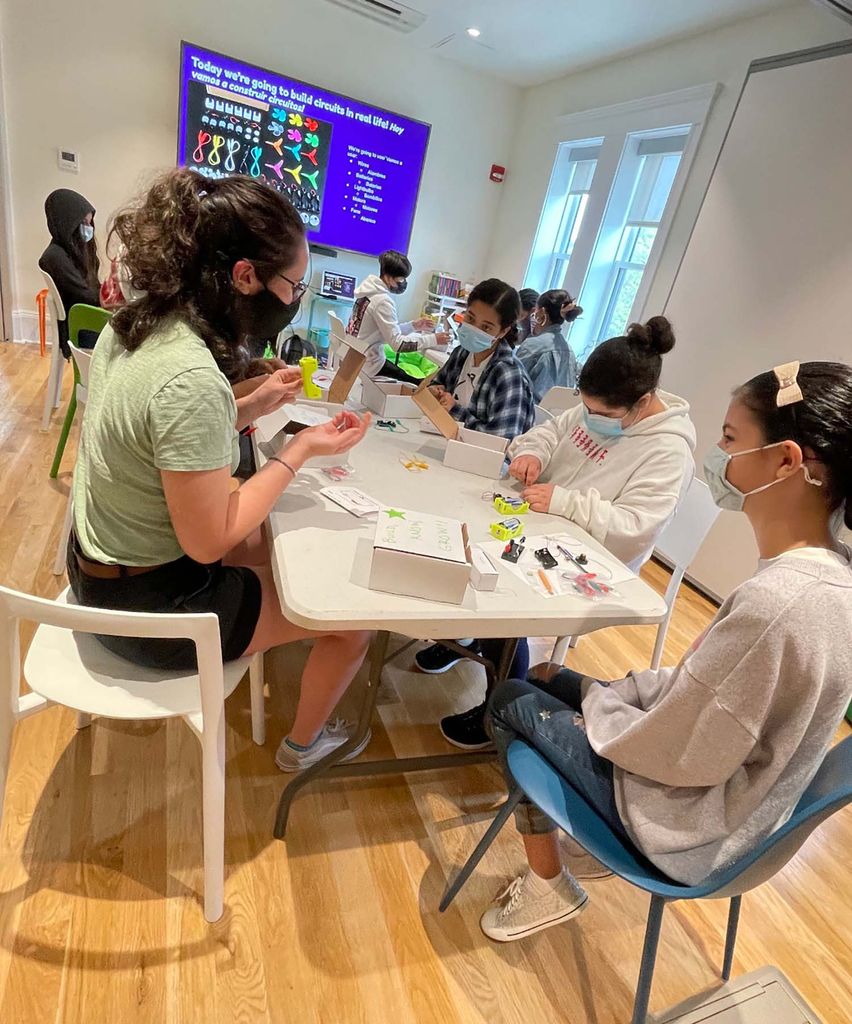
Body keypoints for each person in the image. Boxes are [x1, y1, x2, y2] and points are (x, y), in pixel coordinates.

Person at [476, 359, 852, 942]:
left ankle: (549, 882)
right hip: (726, 797)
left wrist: (602, 708)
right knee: (549, 673)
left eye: (730, 440)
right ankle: (578, 810)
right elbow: (701, 700)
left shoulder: (776, 603)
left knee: (508, 698)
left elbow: (681, 753)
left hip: (690, 827)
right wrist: (609, 695)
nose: (718, 458)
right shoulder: (831, 579)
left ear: (785, 461)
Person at [68, 168, 373, 773]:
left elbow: (157, 440)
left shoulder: (134, 325)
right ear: (244, 277)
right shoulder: (191, 377)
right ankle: (303, 749)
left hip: (93, 569)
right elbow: (208, 539)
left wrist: (251, 405)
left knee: (270, 545)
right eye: (293, 287)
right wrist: (301, 449)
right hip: (146, 610)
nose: (293, 302)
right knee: (349, 619)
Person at [418, 317, 695, 751]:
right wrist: (530, 452)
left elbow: (635, 529)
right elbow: (548, 432)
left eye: (603, 414)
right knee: (467, 541)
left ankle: (498, 713)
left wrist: (564, 501)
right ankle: (466, 640)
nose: (591, 419)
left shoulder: (669, 451)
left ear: (642, 403)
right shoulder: (594, 409)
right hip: (543, 524)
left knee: (504, 598)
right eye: (587, 408)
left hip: (591, 560)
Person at [428, 278, 535, 441]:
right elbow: (437, 384)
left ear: (502, 331)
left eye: (486, 327)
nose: (473, 329)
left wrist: (454, 409)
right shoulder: (462, 352)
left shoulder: (509, 375)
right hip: (446, 441)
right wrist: (435, 393)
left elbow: (501, 441)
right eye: (470, 318)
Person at [347, 249, 449, 383]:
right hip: (368, 365)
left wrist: (413, 326)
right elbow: (398, 345)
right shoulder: (382, 301)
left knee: (412, 379)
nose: (403, 282)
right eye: (401, 279)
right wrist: (434, 339)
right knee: (420, 383)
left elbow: (384, 332)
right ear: (389, 278)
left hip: (356, 357)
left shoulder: (366, 294)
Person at [39, 189, 102, 355]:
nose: (88, 229)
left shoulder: (77, 249)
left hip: (85, 318)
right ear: (68, 223)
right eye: (83, 223)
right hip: (79, 327)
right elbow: (86, 295)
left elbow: (92, 289)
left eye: (90, 223)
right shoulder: (54, 257)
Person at [515, 289, 581, 402]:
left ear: (541, 312)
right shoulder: (569, 351)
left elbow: (511, 384)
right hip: (555, 416)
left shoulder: (532, 345)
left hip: (527, 413)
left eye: (535, 311)